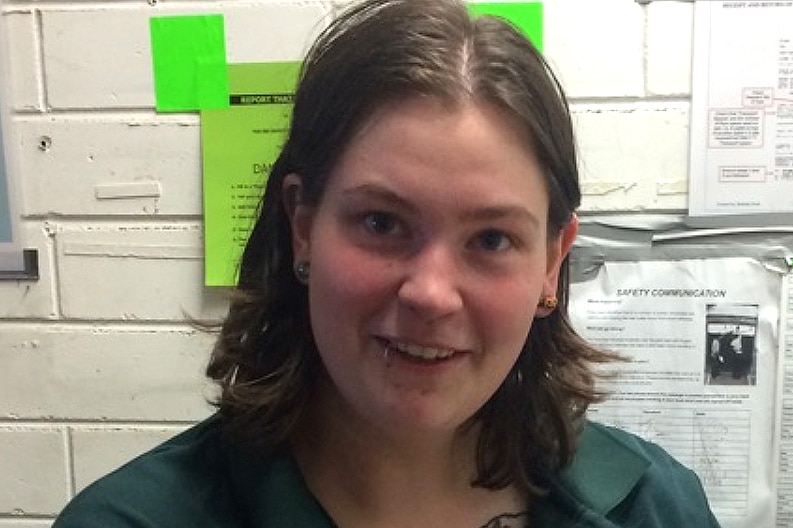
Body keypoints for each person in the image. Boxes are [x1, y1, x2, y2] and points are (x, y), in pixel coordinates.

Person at [54, 0, 721, 526]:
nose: (430, 293)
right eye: (381, 223)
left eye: (490, 239)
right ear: (304, 226)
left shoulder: (656, 509)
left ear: (551, 263)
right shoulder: (133, 520)